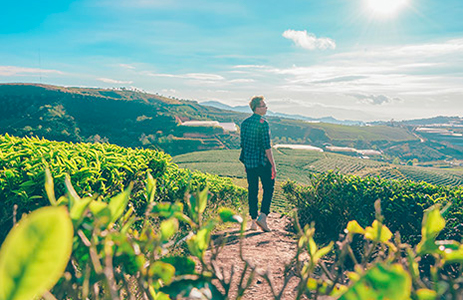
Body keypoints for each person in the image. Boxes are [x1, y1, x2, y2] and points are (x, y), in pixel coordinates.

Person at [239, 96, 276, 232]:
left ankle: (253, 222)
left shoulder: (244, 123)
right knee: (269, 188)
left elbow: (243, 145)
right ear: (256, 108)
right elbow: (267, 147)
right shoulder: (263, 123)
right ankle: (263, 217)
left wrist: (245, 163)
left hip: (250, 163)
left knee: (252, 190)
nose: (266, 108)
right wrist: (273, 165)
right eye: (263, 105)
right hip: (262, 162)